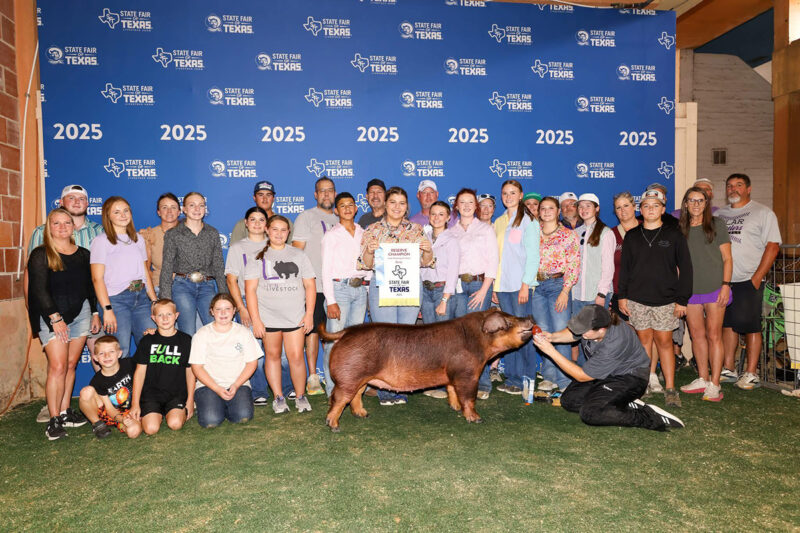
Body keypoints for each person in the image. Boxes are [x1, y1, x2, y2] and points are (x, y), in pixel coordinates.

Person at [532, 305, 684, 431]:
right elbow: (574, 333)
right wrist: (552, 337)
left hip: (631, 378)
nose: (581, 333)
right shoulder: (594, 323)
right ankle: (617, 402)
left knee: (590, 413)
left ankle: (648, 416)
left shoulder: (615, 341)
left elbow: (582, 376)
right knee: (569, 400)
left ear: (602, 329)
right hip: (605, 374)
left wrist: (551, 351)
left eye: (585, 330)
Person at [27, 184, 104, 424]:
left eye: (67, 223)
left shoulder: (83, 254)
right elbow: (38, 289)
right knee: (58, 366)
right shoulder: (41, 253)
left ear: (73, 227)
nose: (62, 227)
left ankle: (64, 411)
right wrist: (55, 318)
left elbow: (89, 286)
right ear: (48, 227)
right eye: (56, 223)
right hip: (52, 315)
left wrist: (94, 312)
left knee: (71, 365)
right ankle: (54, 420)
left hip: (81, 313)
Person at [359, 186, 435, 405]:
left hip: (409, 286)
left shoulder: (416, 229)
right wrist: (369, 250)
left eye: (402, 203)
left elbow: (427, 262)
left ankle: (401, 386)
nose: (397, 207)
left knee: (406, 339)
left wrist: (428, 249)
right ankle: (385, 390)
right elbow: (366, 264)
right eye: (393, 202)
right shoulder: (372, 229)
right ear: (385, 204)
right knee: (385, 339)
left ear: (406, 206)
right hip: (382, 286)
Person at [617, 189, 692, 408]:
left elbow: (686, 269)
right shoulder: (632, 235)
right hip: (637, 299)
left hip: (666, 299)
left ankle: (670, 389)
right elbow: (625, 269)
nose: (651, 209)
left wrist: (682, 300)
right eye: (646, 206)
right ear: (640, 210)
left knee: (665, 343)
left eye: (655, 205)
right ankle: (644, 385)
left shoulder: (674, 235)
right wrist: (622, 296)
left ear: (663, 209)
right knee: (643, 343)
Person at [716, 173, 781, 390]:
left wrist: (756, 278)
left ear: (749, 189)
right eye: (729, 185)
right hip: (724, 281)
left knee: (751, 325)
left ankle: (751, 372)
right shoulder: (719, 214)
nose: (733, 189)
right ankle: (729, 368)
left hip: (749, 279)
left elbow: (773, 246)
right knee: (727, 324)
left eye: (739, 185)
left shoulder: (763, 213)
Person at [246, 215, 317, 414]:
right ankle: (278, 398)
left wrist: (309, 314)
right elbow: (250, 290)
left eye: (283, 230)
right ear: (267, 230)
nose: (279, 234)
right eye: (275, 229)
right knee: (272, 356)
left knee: (296, 357)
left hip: (295, 316)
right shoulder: (257, 257)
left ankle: (300, 396)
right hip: (268, 317)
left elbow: (310, 285)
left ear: (289, 232)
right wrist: (256, 320)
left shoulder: (299, 255)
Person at [677, 187, 732, 402]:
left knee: (714, 335)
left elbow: (727, 258)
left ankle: (715, 384)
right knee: (696, 335)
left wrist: (726, 285)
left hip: (715, 288)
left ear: (706, 203)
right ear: (685, 203)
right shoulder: (680, 228)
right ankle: (703, 378)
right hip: (690, 291)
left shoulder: (717, 224)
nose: (696, 204)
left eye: (700, 200)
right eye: (691, 200)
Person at [90, 196, 157, 359]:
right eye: (117, 212)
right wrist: (107, 310)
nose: (123, 215)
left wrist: (154, 300)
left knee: (151, 347)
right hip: (117, 301)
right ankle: (123, 378)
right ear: (108, 216)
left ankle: (144, 377)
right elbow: (97, 279)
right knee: (121, 349)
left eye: (126, 210)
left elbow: (145, 271)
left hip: (142, 299)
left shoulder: (138, 239)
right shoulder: (101, 241)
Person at [448, 188, 498, 398]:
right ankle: (463, 381)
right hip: (458, 286)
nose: (467, 206)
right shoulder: (451, 231)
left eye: (470, 202)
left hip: (479, 285)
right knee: (462, 337)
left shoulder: (485, 229)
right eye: (462, 202)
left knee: (479, 335)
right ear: (456, 206)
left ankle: (483, 382)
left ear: (475, 206)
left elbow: (493, 261)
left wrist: (484, 290)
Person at [291, 177, 339, 396]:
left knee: (336, 333)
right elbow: (296, 251)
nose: (326, 194)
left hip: (339, 287)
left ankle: (336, 375)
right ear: (315, 195)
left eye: (330, 190)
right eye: (322, 191)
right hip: (315, 286)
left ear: (335, 193)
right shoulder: (306, 217)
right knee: (312, 331)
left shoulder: (342, 218)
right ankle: (313, 377)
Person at [321, 193, 371, 398]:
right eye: (342, 205)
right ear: (336, 210)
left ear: (356, 208)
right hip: (339, 290)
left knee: (354, 343)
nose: (347, 208)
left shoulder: (363, 233)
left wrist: (367, 290)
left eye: (351, 205)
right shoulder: (331, 235)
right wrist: (331, 300)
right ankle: (332, 390)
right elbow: (325, 270)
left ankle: (351, 387)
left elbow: (368, 262)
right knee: (334, 342)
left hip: (360, 290)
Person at [493, 180, 540, 395]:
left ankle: (527, 378)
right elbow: (496, 256)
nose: (508, 196)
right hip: (503, 286)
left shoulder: (529, 221)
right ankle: (512, 377)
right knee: (508, 333)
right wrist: (495, 286)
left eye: (513, 193)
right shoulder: (499, 221)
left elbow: (533, 256)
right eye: (505, 193)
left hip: (520, 286)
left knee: (522, 333)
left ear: (521, 195)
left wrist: (525, 285)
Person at [160, 192, 227, 336]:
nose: (197, 209)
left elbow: (218, 265)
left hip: (207, 286)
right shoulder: (173, 234)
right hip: (182, 286)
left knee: (216, 329)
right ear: (184, 209)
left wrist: (224, 296)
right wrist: (165, 300)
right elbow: (167, 267)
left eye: (201, 205)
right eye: (192, 205)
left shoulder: (212, 233)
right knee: (188, 332)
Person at [189, 293, 261, 427]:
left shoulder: (243, 332)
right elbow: (197, 367)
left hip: (238, 384)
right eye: (218, 309)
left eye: (227, 309)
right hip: (209, 385)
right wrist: (217, 388)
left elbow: (252, 363)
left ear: (234, 311)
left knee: (243, 416)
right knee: (211, 420)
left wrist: (236, 385)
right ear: (212, 311)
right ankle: (212, 404)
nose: (223, 313)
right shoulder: (202, 334)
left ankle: (224, 405)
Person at [225, 206, 272, 405]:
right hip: (246, 301)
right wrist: (241, 307)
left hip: (273, 301)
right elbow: (231, 280)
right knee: (254, 349)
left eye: (261, 219)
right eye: (253, 219)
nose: (257, 223)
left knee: (279, 350)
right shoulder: (237, 248)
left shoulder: (274, 244)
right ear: (246, 223)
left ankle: (287, 388)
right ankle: (259, 391)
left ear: (267, 223)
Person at [533, 196, 580, 393]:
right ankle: (549, 376)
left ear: (558, 211)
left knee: (560, 332)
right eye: (543, 208)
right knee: (543, 332)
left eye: (550, 208)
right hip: (537, 286)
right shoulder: (533, 233)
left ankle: (564, 379)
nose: (546, 211)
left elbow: (574, 264)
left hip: (557, 285)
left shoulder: (568, 235)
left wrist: (565, 291)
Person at [130, 298, 195, 434]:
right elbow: (139, 373)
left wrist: (190, 400)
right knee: (151, 429)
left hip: (176, 395)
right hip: (151, 395)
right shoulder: (147, 340)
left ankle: (173, 412)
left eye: (169, 314)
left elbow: (190, 372)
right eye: (160, 315)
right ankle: (153, 414)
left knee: (175, 424)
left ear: (176, 315)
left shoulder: (186, 340)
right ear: (153, 318)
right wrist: (135, 404)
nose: (165, 318)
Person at [78, 335, 143, 439]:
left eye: (111, 352)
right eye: (101, 353)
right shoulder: (97, 381)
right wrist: (121, 419)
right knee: (86, 391)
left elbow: (146, 356)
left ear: (119, 353)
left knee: (133, 432)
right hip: (110, 412)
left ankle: (123, 426)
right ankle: (98, 424)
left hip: (132, 410)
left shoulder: (129, 364)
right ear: (95, 358)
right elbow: (109, 408)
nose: (107, 356)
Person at [141, 193, 180, 296]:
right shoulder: (150, 235)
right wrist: (153, 295)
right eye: (164, 207)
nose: (169, 211)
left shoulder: (189, 233)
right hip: (159, 288)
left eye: (173, 207)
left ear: (179, 212)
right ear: (158, 212)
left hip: (186, 289)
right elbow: (146, 269)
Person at [610, 192, 639, 318]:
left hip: (646, 294)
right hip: (618, 295)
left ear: (635, 206)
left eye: (626, 205)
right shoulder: (610, 234)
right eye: (618, 207)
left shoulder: (648, 229)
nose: (623, 210)